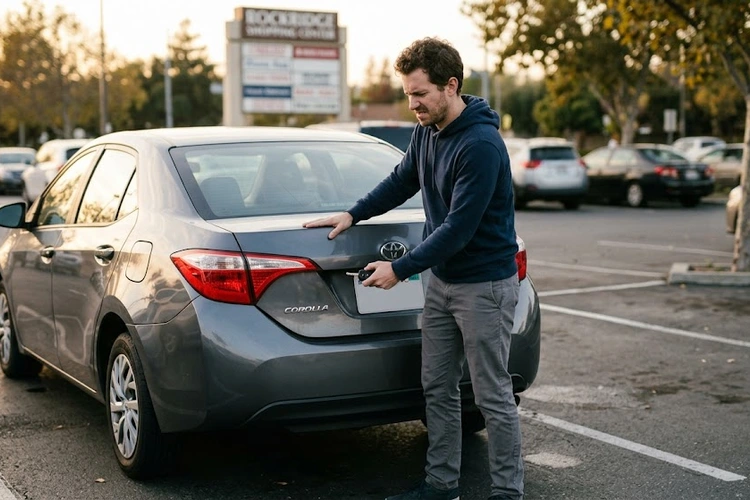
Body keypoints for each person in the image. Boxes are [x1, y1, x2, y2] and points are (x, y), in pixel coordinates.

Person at [303, 37, 523, 500]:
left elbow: (460, 228)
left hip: (483, 285)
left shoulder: (481, 145)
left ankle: (507, 492)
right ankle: (441, 485)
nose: (412, 104)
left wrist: (400, 270)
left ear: (450, 86)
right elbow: (402, 180)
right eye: (407, 94)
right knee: (437, 387)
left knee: (491, 397)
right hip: (443, 282)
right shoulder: (427, 131)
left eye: (419, 94)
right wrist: (353, 213)